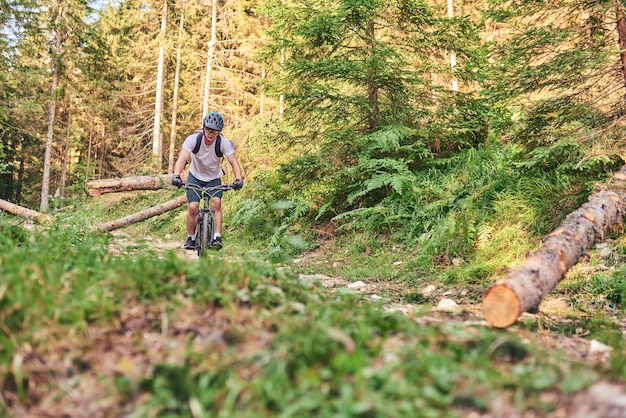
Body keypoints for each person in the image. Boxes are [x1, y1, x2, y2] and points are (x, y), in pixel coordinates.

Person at [171, 112, 243, 250]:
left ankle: (217, 236)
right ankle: (191, 238)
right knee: (193, 207)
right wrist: (176, 175)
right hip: (195, 177)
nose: (211, 134)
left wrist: (238, 178)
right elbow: (182, 158)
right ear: (204, 128)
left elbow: (233, 161)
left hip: (213, 178)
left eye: (215, 131)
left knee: (216, 204)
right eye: (209, 130)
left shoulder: (223, 143)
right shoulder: (193, 139)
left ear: (219, 132)